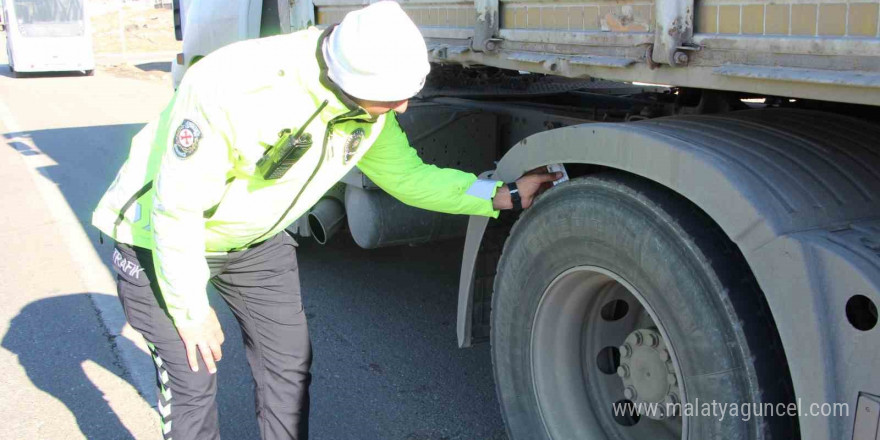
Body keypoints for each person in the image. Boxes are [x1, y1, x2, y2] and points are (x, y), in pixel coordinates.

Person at [91, 2, 559, 439]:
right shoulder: (233, 87)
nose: (401, 109)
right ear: (346, 80)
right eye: (390, 99)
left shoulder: (366, 101)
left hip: (256, 244)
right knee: (193, 382)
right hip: (158, 241)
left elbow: (409, 176)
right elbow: (177, 207)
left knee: (289, 368)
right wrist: (190, 312)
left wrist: (499, 195)